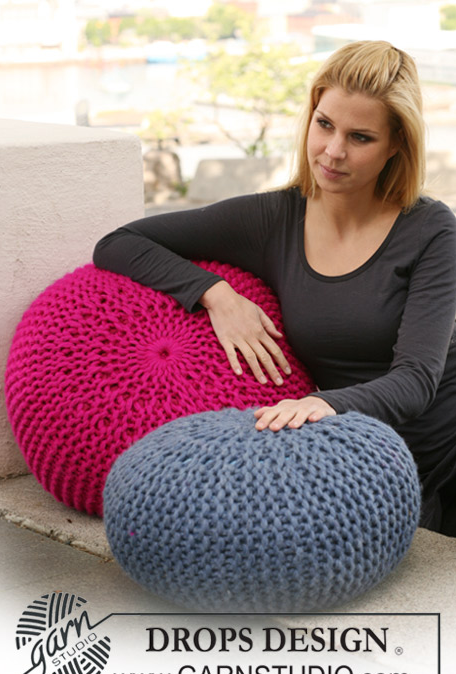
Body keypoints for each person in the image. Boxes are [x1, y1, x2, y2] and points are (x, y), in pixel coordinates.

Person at [93, 40, 456, 537]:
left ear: (396, 144)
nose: (333, 151)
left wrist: (325, 404)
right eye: (324, 124)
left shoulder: (431, 230)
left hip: (443, 457)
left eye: (360, 137)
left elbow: (415, 380)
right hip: (354, 460)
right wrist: (215, 294)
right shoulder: (273, 219)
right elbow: (118, 243)